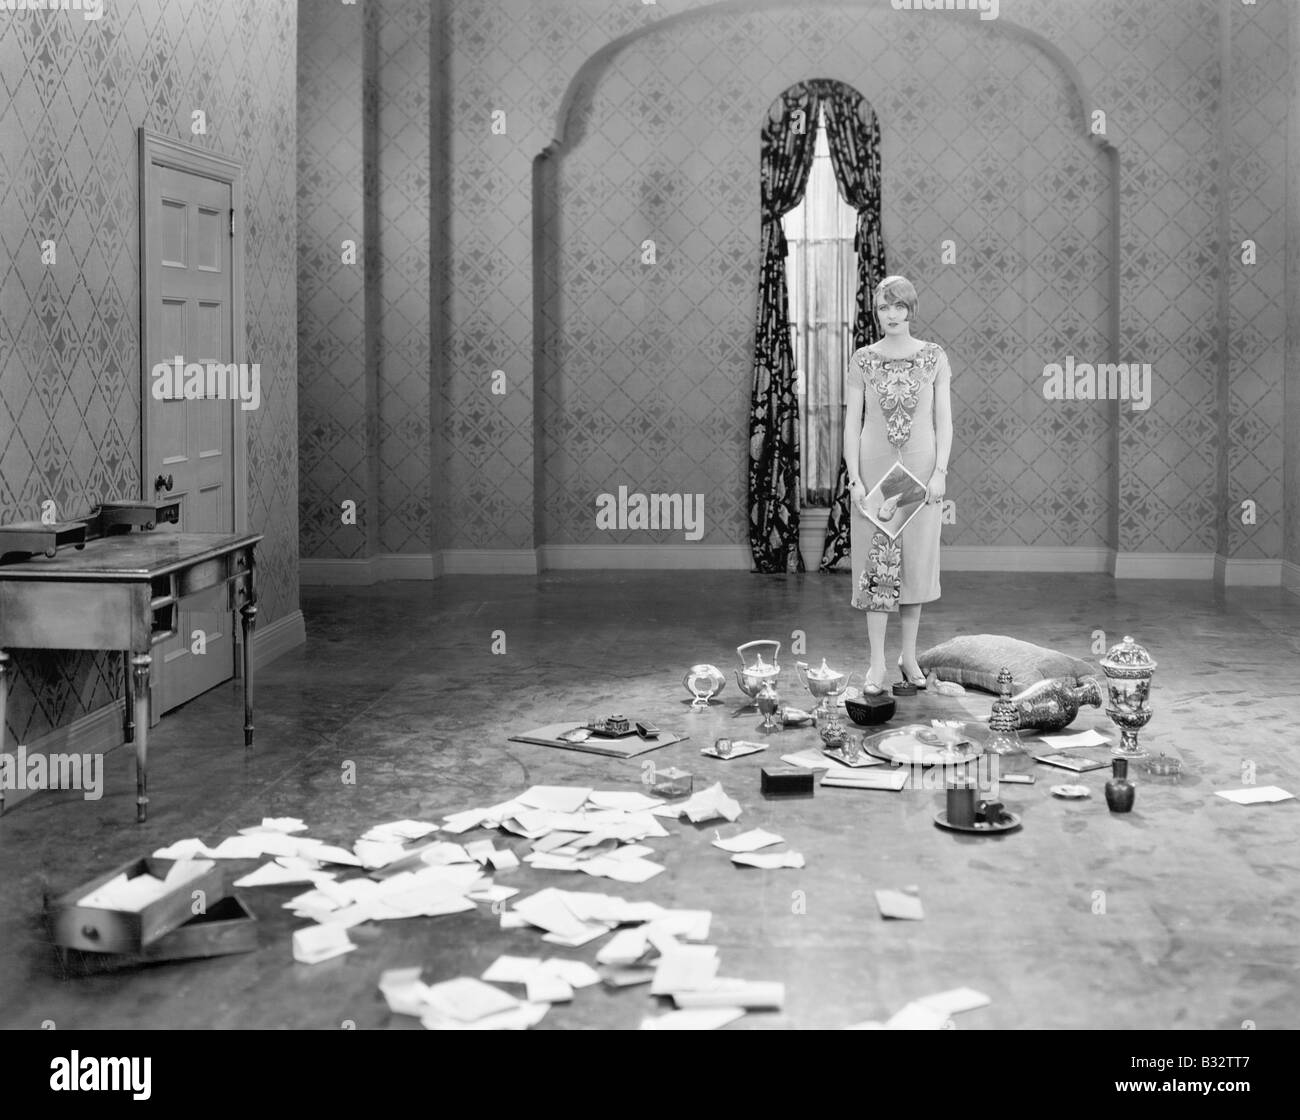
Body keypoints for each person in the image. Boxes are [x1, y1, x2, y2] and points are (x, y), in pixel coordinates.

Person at [843, 275, 953, 694]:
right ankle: (877, 664)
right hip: (875, 475)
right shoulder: (863, 359)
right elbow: (853, 422)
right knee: (877, 568)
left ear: (911, 309)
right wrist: (854, 478)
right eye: (884, 306)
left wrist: (940, 471)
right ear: (876, 310)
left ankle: (909, 656)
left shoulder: (934, 357)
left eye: (899, 306)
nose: (891, 314)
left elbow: (943, 420)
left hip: (921, 475)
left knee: (914, 565)